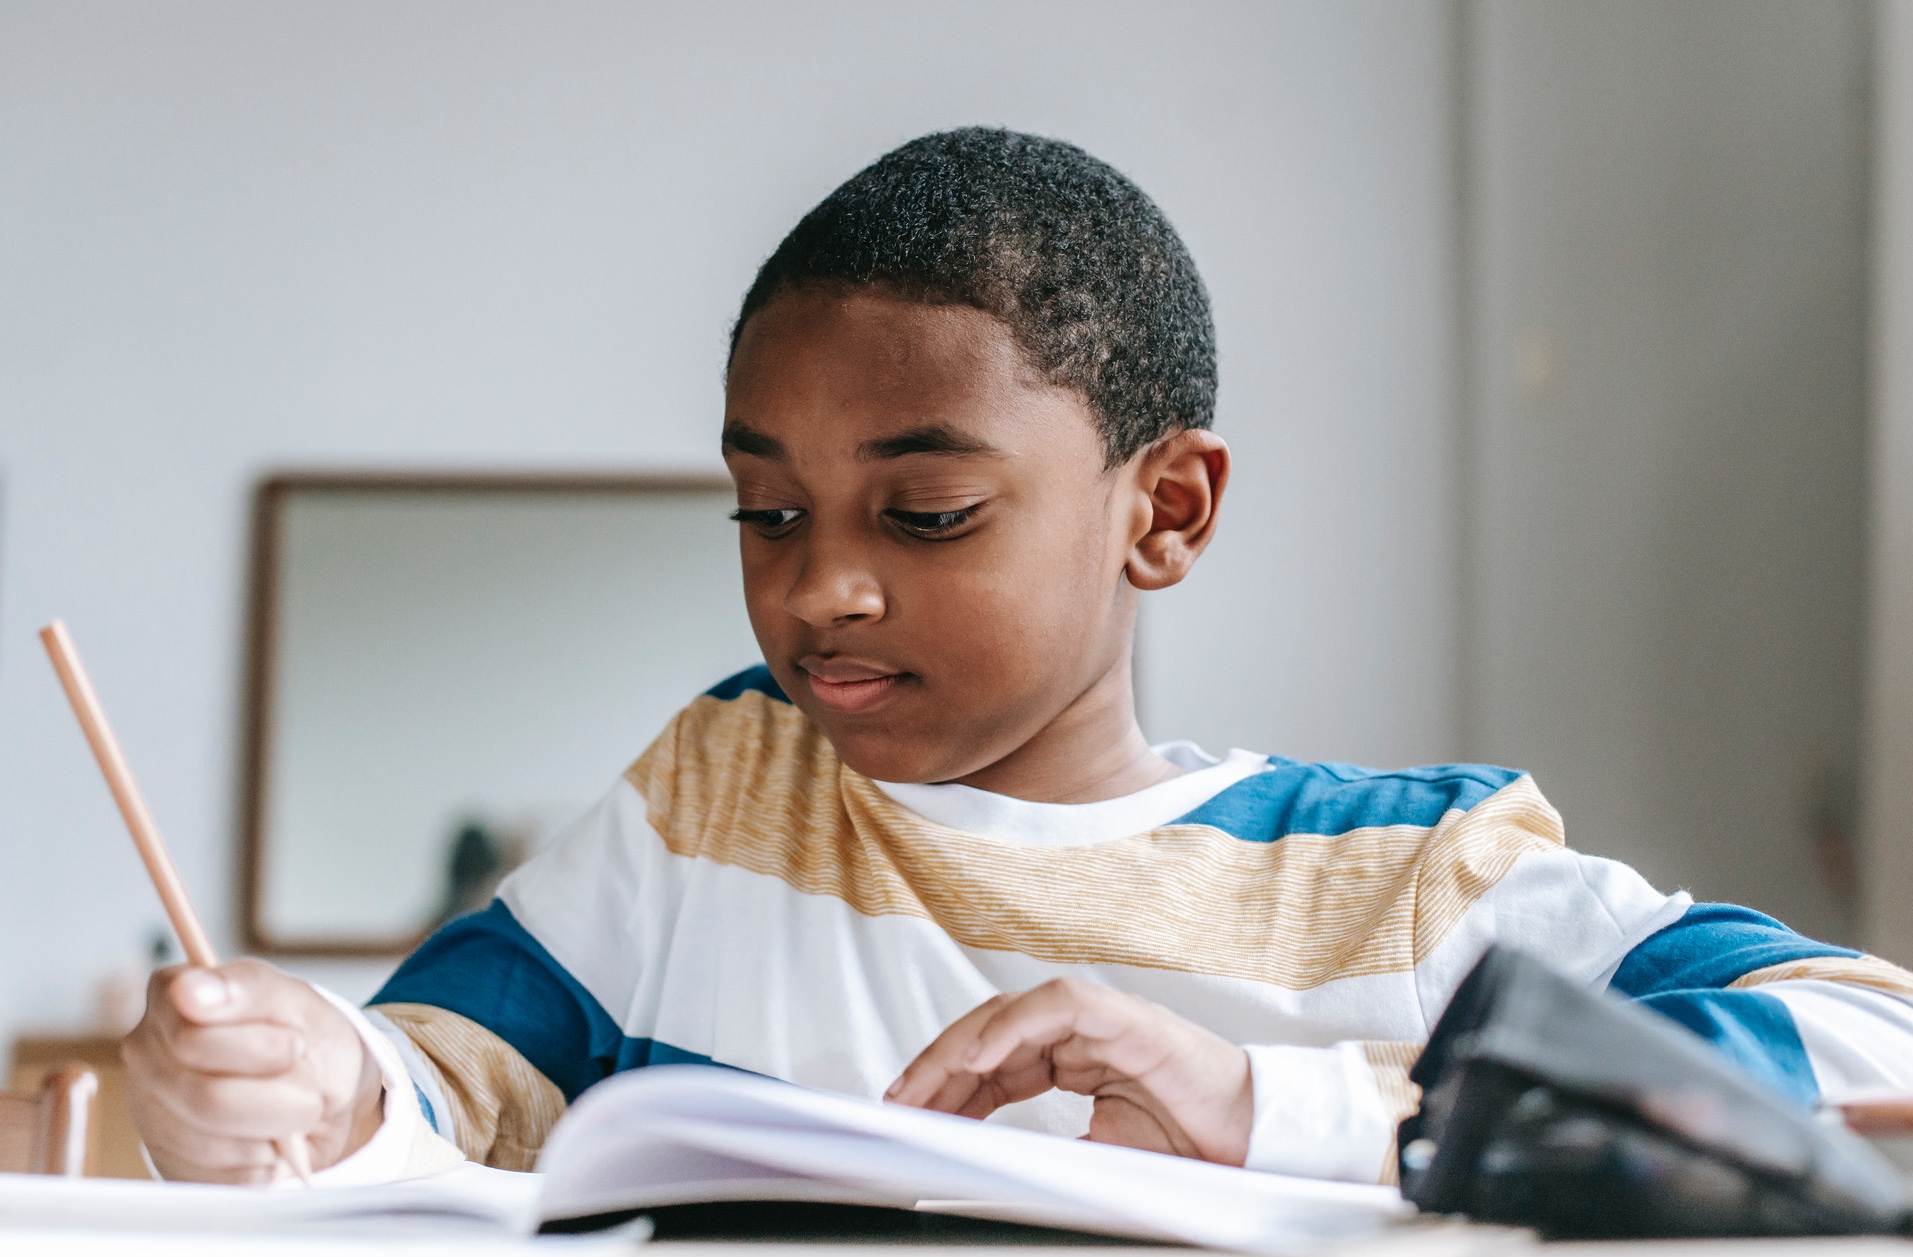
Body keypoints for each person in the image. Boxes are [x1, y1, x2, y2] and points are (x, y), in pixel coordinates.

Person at [123, 128, 1913, 1186]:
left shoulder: (1396, 879)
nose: (820, 590)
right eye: (768, 515)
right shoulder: (723, 795)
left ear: (1166, 511)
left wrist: (1269, 1107)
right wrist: (320, 1082)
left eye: (925, 518)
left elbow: (1868, 1053)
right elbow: (453, 1075)